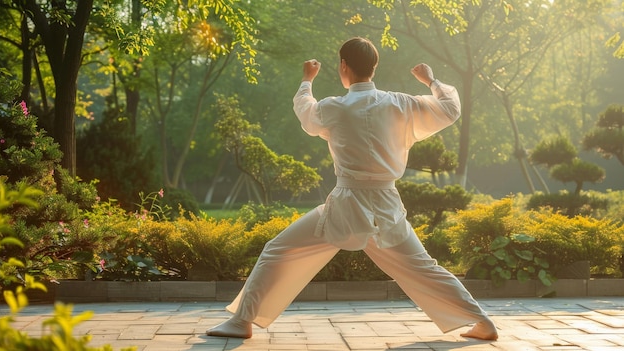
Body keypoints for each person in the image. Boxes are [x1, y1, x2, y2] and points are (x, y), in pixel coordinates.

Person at [206, 37, 498, 341]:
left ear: (344, 66)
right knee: (424, 268)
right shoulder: (400, 102)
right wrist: (431, 80)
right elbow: (450, 108)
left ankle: (243, 321)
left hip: (345, 209)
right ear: (374, 67)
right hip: (386, 208)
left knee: (277, 251)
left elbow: (307, 114)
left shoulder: (336, 107)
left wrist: (307, 80)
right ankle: (483, 322)